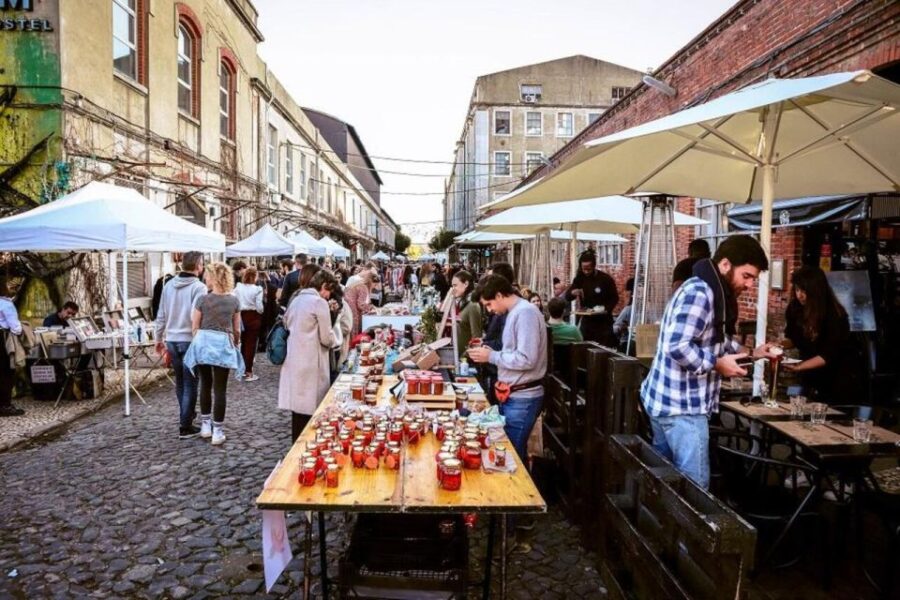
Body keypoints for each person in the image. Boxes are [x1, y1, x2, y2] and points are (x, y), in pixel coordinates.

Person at [641, 235, 777, 489]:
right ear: (725, 264)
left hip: (668, 402)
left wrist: (752, 353)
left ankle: (662, 527)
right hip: (682, 409)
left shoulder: (707, 288)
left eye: (753, 279)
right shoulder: (701, 292)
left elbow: (713, 339)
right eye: (746, 276)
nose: (748, 284)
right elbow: (677, 345)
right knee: (696, 490)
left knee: (663, 483)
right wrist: (716, 364)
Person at [468, 275, 547, 461]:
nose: (490, 310)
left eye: (489, 304)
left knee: (511, 456)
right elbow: (516, 351)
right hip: (514, 395)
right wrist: (492, 351)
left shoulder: (524, 313)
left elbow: (527, 359)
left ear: (499, 295)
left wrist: (492, 356)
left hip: (523, 398)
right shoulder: (516, 312)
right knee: (508, 452)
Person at [184, 262, 244, 446]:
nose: (205, 278)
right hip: (222, 346)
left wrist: (201, 339)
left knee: (205, 384)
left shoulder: (202, 300)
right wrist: (234, 342)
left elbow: (194, 326)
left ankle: (205, 426)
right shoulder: (234, 301)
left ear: (214, 278)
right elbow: (237, 330)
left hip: (203, 345)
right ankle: (217, 431)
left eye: (207, 276)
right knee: (220, 389)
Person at [278, 269, 339, 441]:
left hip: (294, 358)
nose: (328, 296)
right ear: (323, 286)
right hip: (311, 361)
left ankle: (295, 445)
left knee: (297, 410)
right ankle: (307, 447)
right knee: (312, 410)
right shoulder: (318, 303)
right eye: (328, 290)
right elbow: (326, 338)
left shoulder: (296, 300)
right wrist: (336, 339)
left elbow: (287, 322)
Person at [154, 251, 207, 438]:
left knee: (181, 382)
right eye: (202, 264)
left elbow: (160, 313)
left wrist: (158, 338)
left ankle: (187, 414)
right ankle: (185, 425)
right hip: (189, 340)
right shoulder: (199, 287)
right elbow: (196, 318)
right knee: (191, 383)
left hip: (172, 340)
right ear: (198, 265)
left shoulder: (168, 285)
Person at [781, 265, 853, 403]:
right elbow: (794, 338)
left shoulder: (835, 316)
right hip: (809, 376)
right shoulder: (795, 308)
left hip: (836, 377)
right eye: (797, 289)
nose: (799, 295)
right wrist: (779, 345)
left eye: (804, 290)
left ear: (816, 291)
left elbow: (828, 355)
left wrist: (800, 366)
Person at [565, 251, 619, 347]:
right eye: (583, 269)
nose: (586, 272)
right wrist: (573, 292)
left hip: (604, 322)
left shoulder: (605, 279)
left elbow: (615, 298)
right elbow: (568, 296)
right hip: (587, 320)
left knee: (603, 349)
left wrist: (605, 309)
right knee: (585, 347)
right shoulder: (579, 278)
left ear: (594, 266)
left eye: (588, 269)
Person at [233, 266, 264, 382]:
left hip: (240, 315)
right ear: (255, 277)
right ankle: (248, 371)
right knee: (251, 344)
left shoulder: (238, 288)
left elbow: (234, 301)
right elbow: (260, 307)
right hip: (253, 316)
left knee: (243, 343)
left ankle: (241, 369)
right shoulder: (257, 289)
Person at [0, 277, 25, 417]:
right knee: (6, 373)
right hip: (2, 339)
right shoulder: (6, 304)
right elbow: (16, 328)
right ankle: (5, 405)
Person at [450, 270, 483, 356]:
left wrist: (464, 356)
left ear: (466, 284)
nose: (453, 289)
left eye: (455, 285)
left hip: (465, 359)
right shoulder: (461, 303)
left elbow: (476, 337)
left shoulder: (472, 305)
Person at [345, 271, 378, 337]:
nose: (375, 287)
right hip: (352, 309)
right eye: (375, 284)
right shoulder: (364, 287)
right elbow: (361, 304)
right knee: (354, 329)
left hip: (348, 307)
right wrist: (370, 308)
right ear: (371, 282)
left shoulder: (359, 284)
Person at [613, 277, 636, 349]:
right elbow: (616, 328)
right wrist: (620, 328)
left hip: (634, 342)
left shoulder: (629, 309)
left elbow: (615, 329)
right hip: (630, 341)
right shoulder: (628, 309)